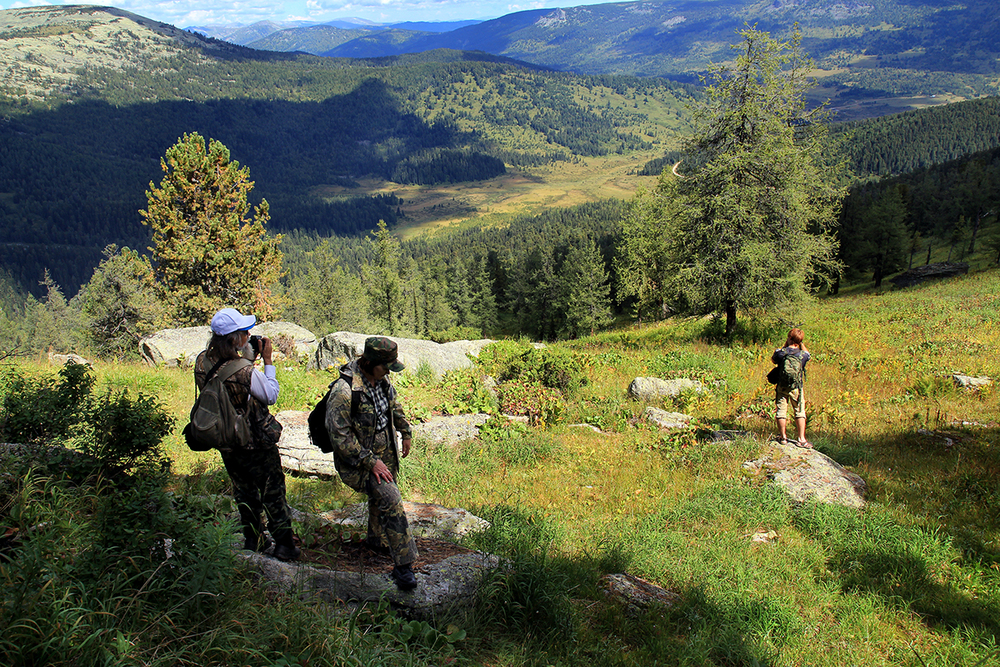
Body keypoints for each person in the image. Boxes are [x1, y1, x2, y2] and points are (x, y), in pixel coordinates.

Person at [194, 307, 299, 561]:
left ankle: (253, 538)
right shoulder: (244, 370)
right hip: (256, 441)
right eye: (244, 332)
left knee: (244, 492)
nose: (248, 335)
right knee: (272, 492)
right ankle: (284, 544)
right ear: (234, 339)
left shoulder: (202, 362)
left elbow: (226, 388)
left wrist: (246, 361)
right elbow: (269, 395)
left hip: (227, 440)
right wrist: (268, 362)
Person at [324, 336, 418, 590]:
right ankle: (404, 566)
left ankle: (377, 542)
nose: (389, 372)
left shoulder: (381, 379)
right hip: (357, 462)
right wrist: (370, 461)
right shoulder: (344, 392)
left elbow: (393, 405)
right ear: (370, 363)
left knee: (381, 499)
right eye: (385, 366)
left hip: (384, 451)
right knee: (391, 498)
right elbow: (340, 438)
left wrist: (405, 431)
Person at [772, 327, 812, 449]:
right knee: (800, 412)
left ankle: (783, 437)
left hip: (782, 386)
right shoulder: (802, 355)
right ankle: (801, 439)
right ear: (800, 341)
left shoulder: (781, 353)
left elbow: (774, 360)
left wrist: (785, 345)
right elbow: (808, 355)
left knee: (781, 411)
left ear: (789, 338)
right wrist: (801, 344)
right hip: (796, 387)